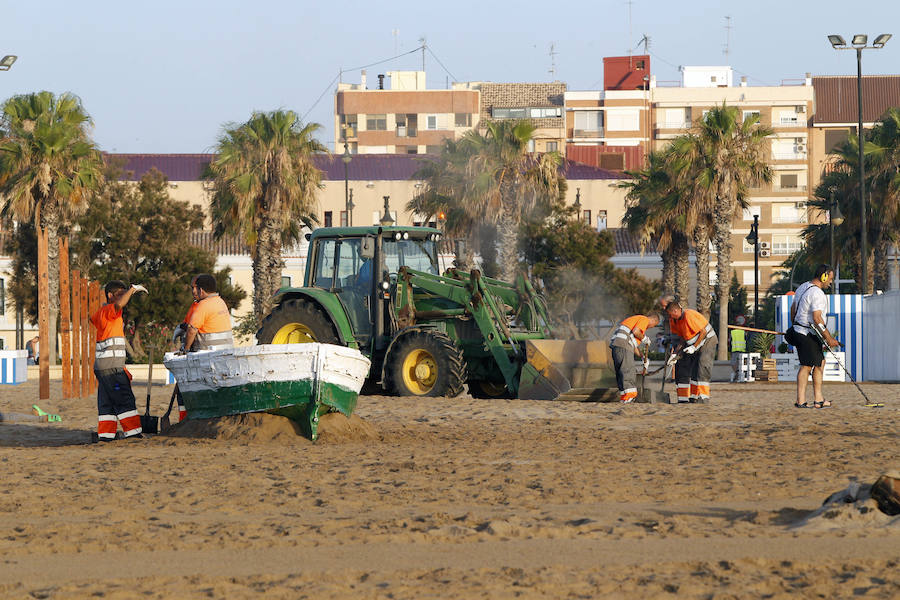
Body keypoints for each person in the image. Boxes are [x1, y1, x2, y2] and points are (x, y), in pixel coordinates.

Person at [90, 280, 148, 441]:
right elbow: (119, 305)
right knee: (124, 397)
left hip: (102, 367)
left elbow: (92, 319)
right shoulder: (110, 310)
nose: (124, 297)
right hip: (112, 367)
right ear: (110, 296)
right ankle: (133, 433)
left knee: (107, 400)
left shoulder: (102, 312)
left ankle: (106, 435)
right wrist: (132, 289)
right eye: (120, 294)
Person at [788, 264, 840, 408]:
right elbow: (817, 318)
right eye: (830, 278)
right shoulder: (817, 293)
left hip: (802, 331)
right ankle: (801, 401)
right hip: (806, 333)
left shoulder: (803, 286)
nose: (830, 282)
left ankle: (818, 399)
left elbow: (793, 309)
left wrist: (795, 325)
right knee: (806, 366)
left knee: (819, 362)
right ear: (823, 276)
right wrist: (829, 338)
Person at [665, 300, 718, 403]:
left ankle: (703, 397)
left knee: (703, 366)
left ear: (675, 311)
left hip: (708, 341)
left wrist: (694, 347)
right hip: (695, 344)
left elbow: (703, 332)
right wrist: (675, 354)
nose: (669, 317)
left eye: (670, 314)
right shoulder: (675, 321)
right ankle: (693, 397)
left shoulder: (689, 316)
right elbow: (682, 338)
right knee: (694, 369)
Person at [609, 313, 661, 403]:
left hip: (617, 347)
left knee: (621, 372)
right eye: (654, 325)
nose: (652, 327)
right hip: (624, 346)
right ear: (653, 320)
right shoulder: (644, 319)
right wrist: (644, 338)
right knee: (628, 370)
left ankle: (624, 397)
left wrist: (642, 357)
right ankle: (630, 396)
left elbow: (633, 346)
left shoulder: (633, 320)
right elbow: (636, 331)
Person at [171, 275, 200, 421]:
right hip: (190, 354)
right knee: (182, 393)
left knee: (189, 391)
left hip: (196, 354)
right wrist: (181, 328)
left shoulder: (203, 306)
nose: (194, 291)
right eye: (192, 288)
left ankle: (188, 420)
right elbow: (187, 324)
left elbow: (193, 329)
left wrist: (186, 347)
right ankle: (184, 421)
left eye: (196, 287)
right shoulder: (194, 306)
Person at [183, 273, 233, 352]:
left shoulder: (203, 305)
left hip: (207, 353)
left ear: (201, 290)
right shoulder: (220, 302)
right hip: (226, 351)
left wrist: (185, 349)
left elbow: (191, 331)